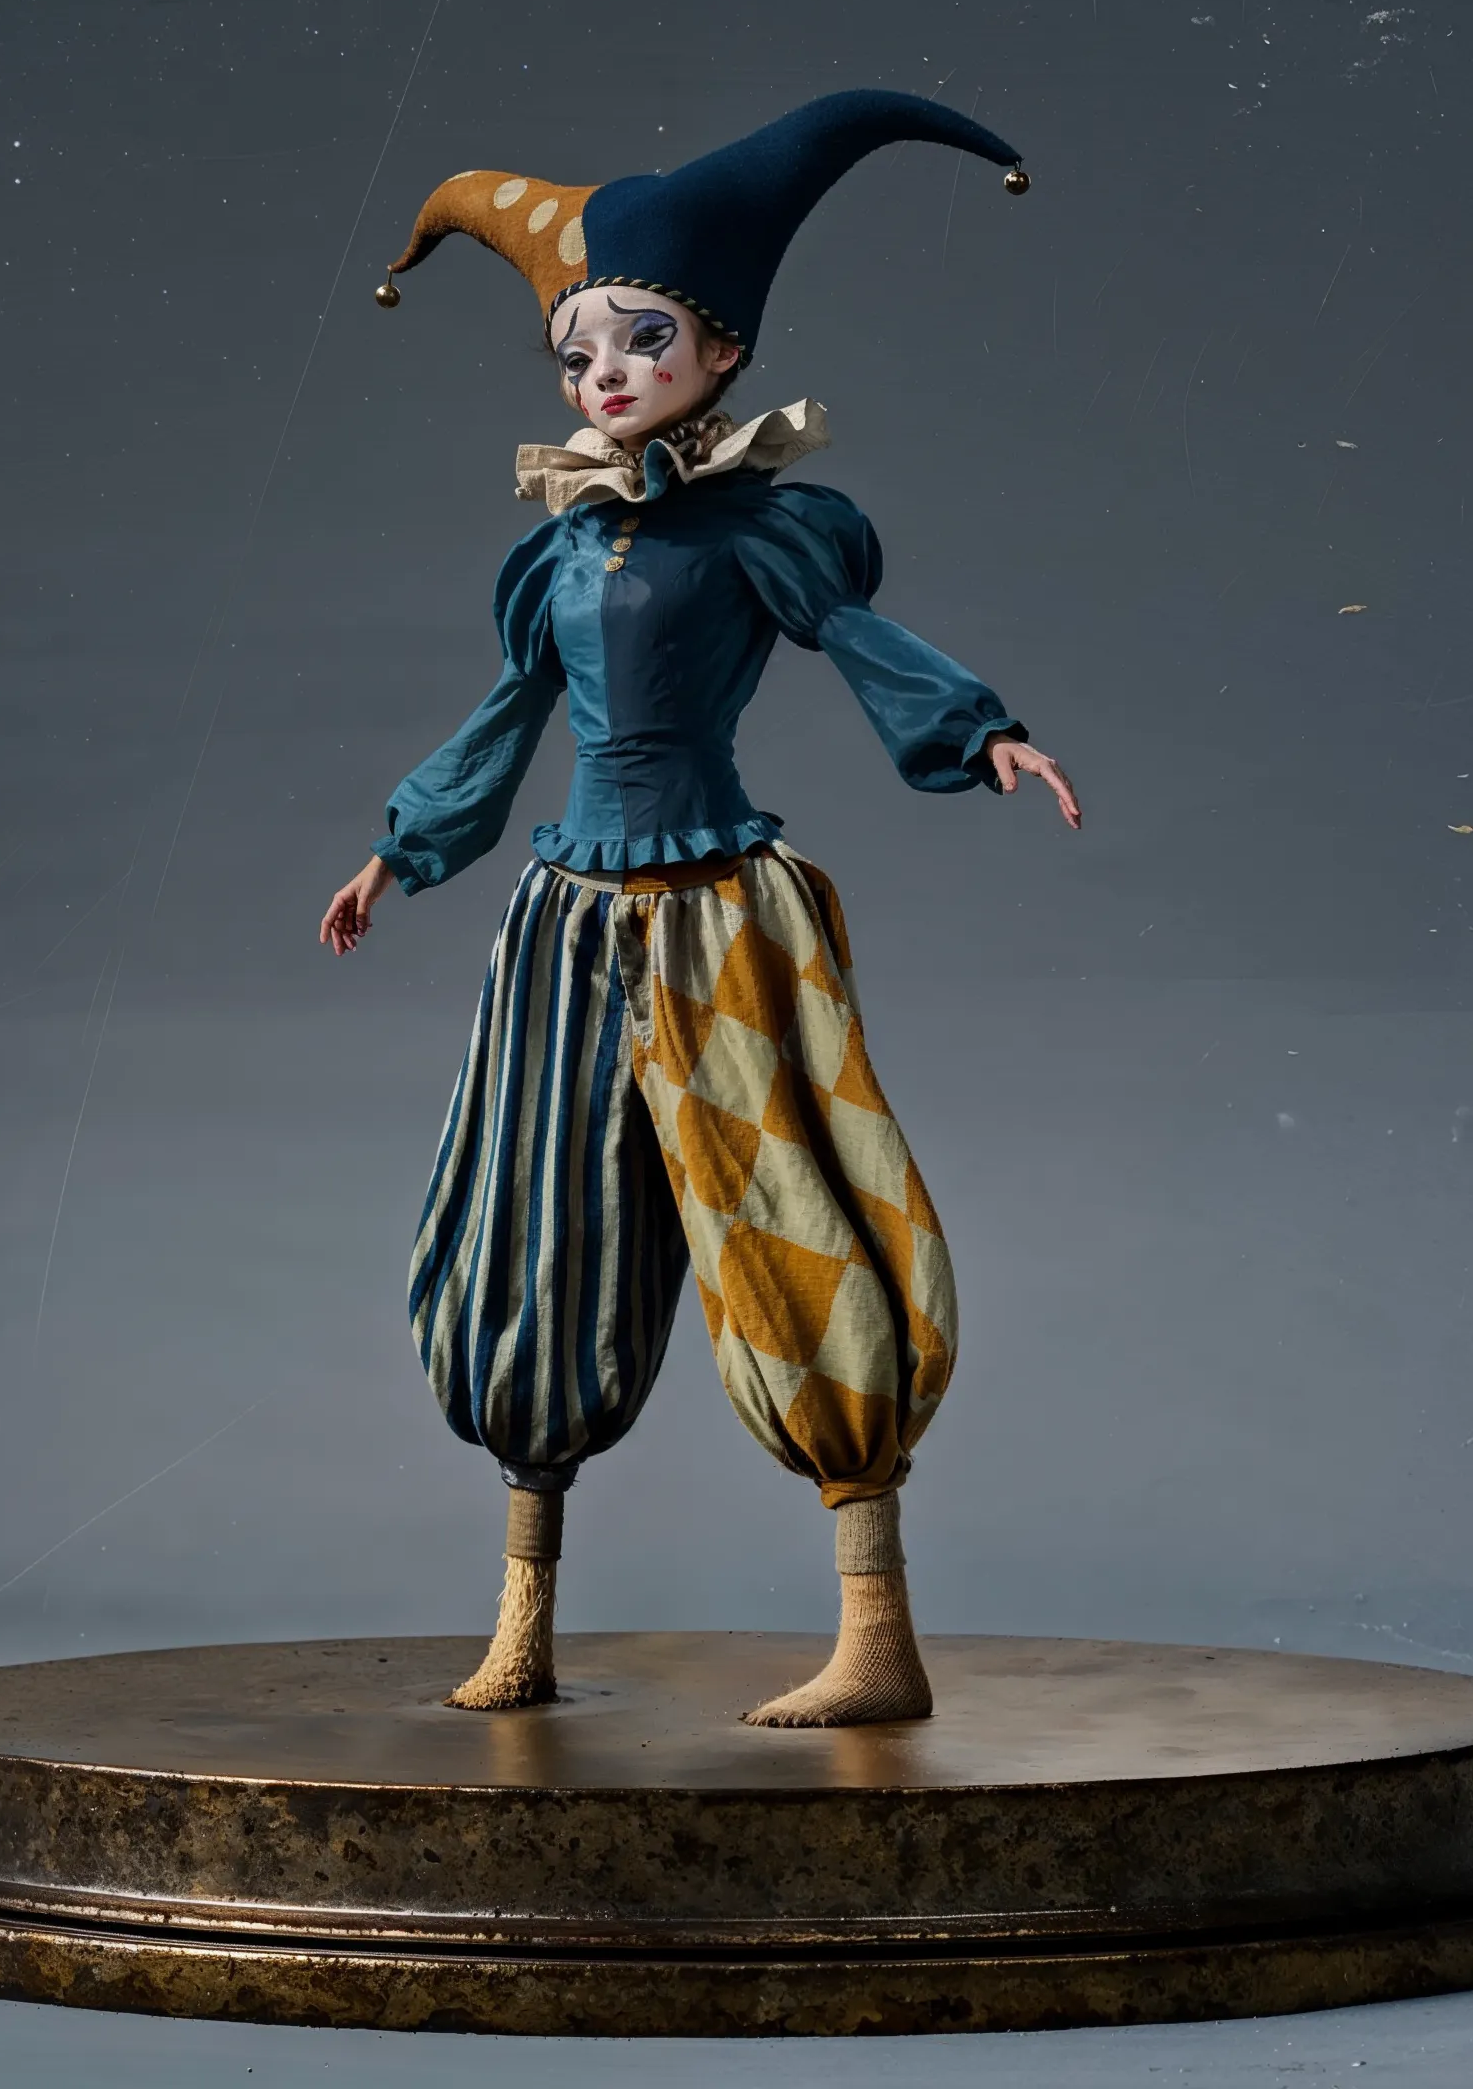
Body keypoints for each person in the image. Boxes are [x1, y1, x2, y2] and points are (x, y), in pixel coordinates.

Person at [320, 93, 1079, 1727]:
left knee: (795, 1209)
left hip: (721, 913)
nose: (605, 374)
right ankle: (523, 1625)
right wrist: (406, 847)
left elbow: (865, 647)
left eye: (641, 339)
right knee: (534, 1231)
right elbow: (508, 717)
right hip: (564, 923)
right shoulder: (560, 551)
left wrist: (982, 735)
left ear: (723, 353)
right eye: (577, 352)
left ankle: (875, 1635)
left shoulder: (765, 533)